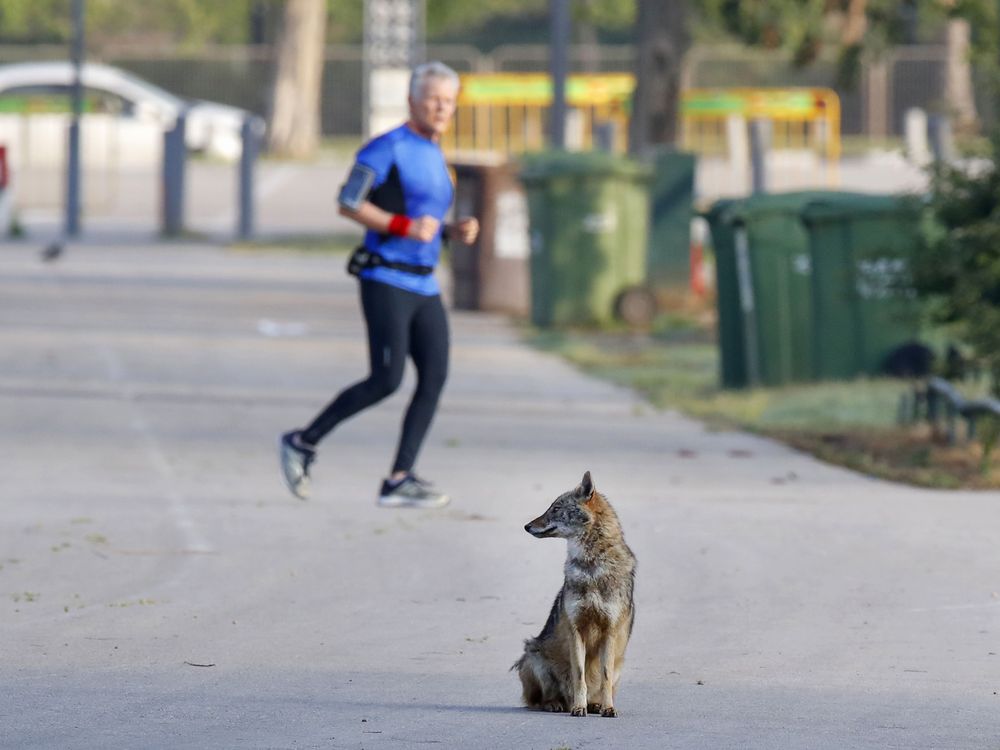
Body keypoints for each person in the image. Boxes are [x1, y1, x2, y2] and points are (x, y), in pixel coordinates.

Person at [279, 61, 478, 508]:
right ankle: (302, 441)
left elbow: (425, 221)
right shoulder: (387, 148)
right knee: (386, 379)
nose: (443, 107)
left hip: (425, 285)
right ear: (412, 102)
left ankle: (399, 479)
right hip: (385, 278)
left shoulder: (435, 151)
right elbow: (348, 201)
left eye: (449, 100)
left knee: (434, 377)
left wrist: (452, 231)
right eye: (434, 99)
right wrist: (404, 226)